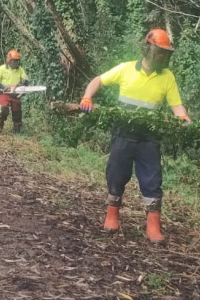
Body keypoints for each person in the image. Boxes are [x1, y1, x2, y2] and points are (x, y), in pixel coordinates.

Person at [79, 29, 190, 244]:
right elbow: (98, 80)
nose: (163, 57)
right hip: (123, 132)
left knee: (152, 177)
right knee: (116, 173)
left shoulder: (167, 77)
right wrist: (87, 97)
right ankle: (112, 215)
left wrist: (183, 117)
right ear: (148, 48)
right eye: (159, 52)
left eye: (166, 53)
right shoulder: (126, 69)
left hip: (149, 137)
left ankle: (153, 225)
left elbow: (176, 105)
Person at [0, 49, 30, 133]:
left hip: (15, 94)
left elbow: (26, 79)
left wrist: (22, 84)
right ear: (9, 60)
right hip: (4, 93)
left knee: (17, 112)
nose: (16, 63)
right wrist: (2, 87)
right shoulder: (2, 68)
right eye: (14, 61)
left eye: (17, 61)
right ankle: (0, 125)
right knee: (4, 109)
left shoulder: (20, 69)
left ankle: (17, 128)